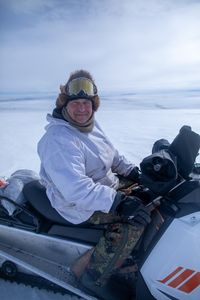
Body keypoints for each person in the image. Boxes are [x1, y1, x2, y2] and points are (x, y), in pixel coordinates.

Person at [37, 70, 151, 298]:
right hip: (76, 204)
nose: (81, 109)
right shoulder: (58, 139)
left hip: (104, 187)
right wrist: (118, 202)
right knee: (133, 223)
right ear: (64, 104)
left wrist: (133, 173)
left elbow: (112, 155)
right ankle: (93, 278)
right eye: (75, 103)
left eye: (86, 103)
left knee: (150, 195)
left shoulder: (90, 125)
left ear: (93, 105)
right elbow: (75, 189)